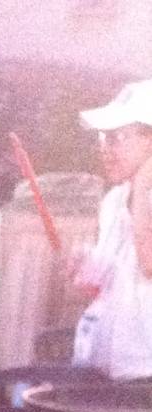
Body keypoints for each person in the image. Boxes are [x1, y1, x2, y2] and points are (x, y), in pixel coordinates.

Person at [72, 79, 152, 381]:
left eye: (117, 137)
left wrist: (145, 187)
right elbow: (108, 284)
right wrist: (89, 269)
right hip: (108, 365)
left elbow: (149, 264)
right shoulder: (114, 200)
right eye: (102, 138)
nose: (105, 149)